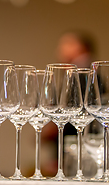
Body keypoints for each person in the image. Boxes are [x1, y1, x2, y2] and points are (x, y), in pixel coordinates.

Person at [40, 30, 96, 177]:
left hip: (77, 150)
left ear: (80, 47)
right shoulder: (76, 72)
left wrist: (52, 131)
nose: (59, 50)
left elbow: (83, 112)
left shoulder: (83, 72)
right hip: (73, 149)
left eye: (66, 44)